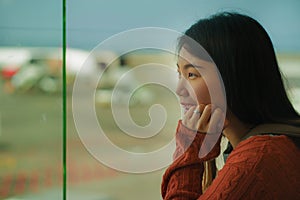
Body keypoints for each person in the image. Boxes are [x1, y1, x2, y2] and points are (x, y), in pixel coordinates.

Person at [161, 12, 300, 199]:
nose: (179, 89)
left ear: (233, 78)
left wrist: (188, 146)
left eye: (192, 74)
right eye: (180, 74)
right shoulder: (274, 144)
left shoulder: (257, 159)